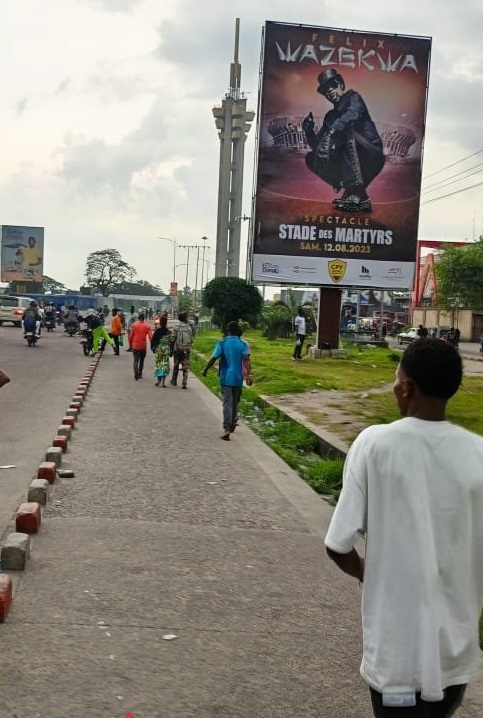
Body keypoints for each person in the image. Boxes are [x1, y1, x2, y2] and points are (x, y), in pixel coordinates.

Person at [324, 338, 483, 718]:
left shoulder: (375, 444)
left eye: (397, 378)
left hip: (394, 655)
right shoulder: (478, 453)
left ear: (406, 388)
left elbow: (338, 545)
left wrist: (369, 573)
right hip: (454, 656)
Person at [302, 68, 385, 212]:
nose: (330, 91)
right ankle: (355, 192)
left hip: (371, 155)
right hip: (350, 163)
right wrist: (309, 131)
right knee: (311, 157)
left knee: (346, 132)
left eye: (333, 85)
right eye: (326, 90)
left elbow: (352, 114)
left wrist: (332, 132)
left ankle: (355, 190)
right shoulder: (330, 117)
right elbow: (318, 146)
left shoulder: (353, 98)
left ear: (341, 85)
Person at [202, 320, 252, 441]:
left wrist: (205, 369)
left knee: (227, 403)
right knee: (235, 402)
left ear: (227, 330)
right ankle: (233, 422)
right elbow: (246, 360)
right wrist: (249, 374)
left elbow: (213, 358)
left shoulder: (223, 343)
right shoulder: (243, 344)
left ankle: (227, 428)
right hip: (238, 378)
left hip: (226, 378)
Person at [170, 311, 193, 389]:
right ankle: (184, 382)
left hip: (178, 348)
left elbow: (173, 338)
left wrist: (171, 349)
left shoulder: (176, 326)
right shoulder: (189, 326)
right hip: (187, 348)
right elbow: (193, 334)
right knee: (185, 365)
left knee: (176, 364)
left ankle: (174, 380)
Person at [129, 312, 153, 380]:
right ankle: (140, 373)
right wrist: (152, 345)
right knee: (142, 360)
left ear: (138, 318)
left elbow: (131, 336)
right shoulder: (147, 326)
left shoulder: (134, 325)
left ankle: (136, 373)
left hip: (135, 345)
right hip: (143, 346)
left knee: (136, 360)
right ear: (144, 318)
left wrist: (130, 344)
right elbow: (151, 337)